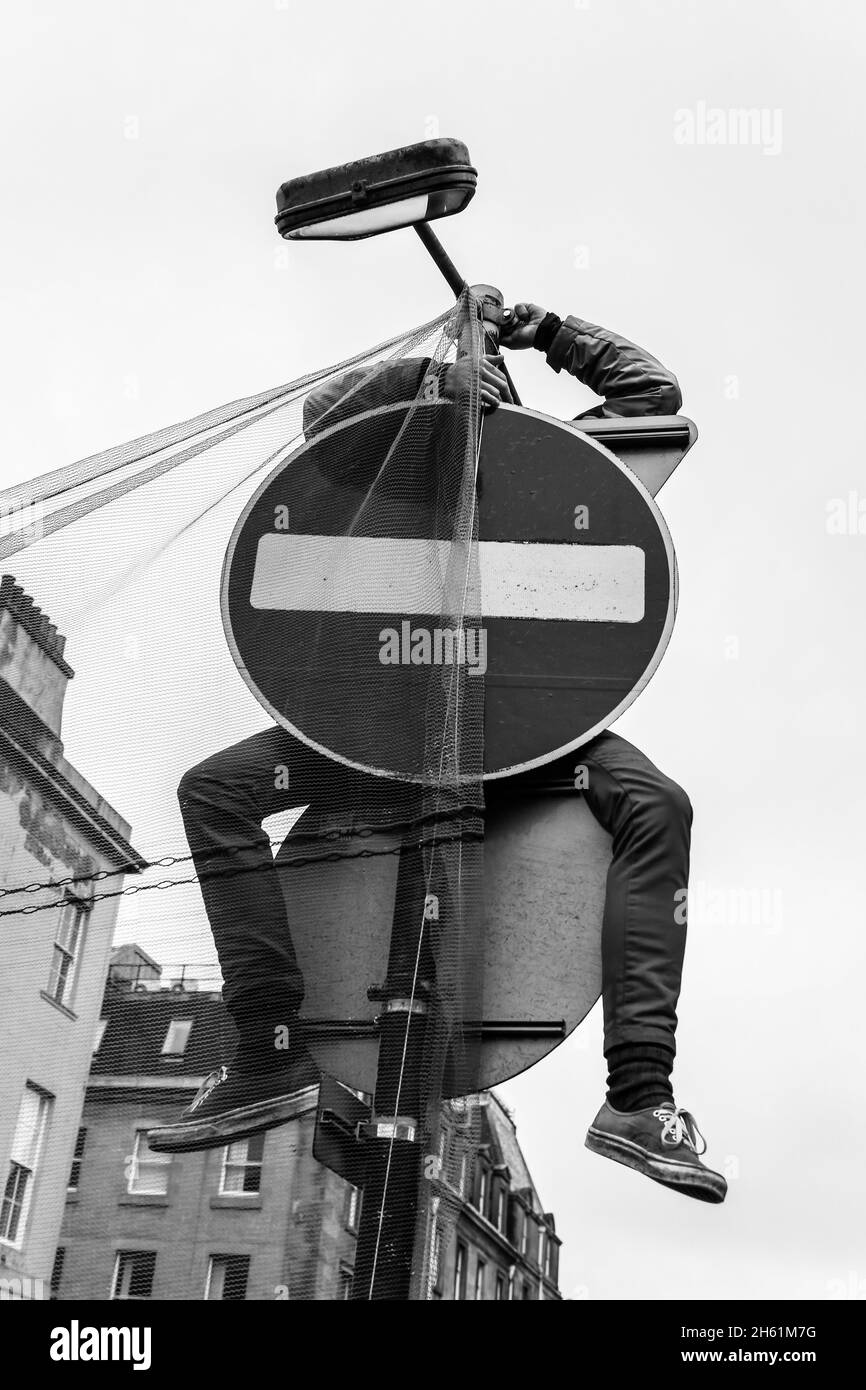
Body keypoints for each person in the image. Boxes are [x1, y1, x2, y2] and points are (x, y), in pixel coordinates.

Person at [148, 302, 726, 1206]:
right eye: (466, 389)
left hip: (526, 740)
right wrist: (429, 380)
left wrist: (539, 327)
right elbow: (324, 415)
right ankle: (266, 1051)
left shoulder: (555, 474)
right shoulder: (374, 470)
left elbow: (652, 396)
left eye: (488, 391)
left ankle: (639, 1100)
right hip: (376, 736)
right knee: (216, 791)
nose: (478, 397)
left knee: (657, 801)